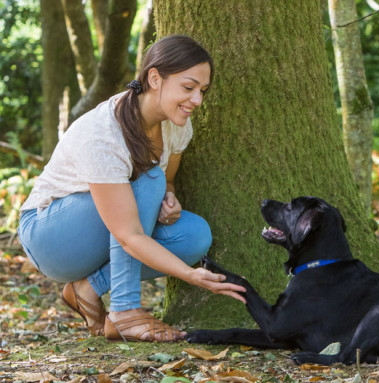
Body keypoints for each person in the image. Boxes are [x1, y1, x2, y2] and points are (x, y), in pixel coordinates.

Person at [17, 35, 246, 342]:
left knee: (194, 236)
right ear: (155, 78)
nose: (197, 100)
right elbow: (128, 234)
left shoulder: (175, 125)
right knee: (146, 177)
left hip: (106, 228)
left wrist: (170, 199)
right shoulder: (104, 133)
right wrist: (191, 276)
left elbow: (166, 181)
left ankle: (88, 289)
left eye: (202, 91)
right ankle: (125, 312)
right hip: (50, 236)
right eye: (188, 87)